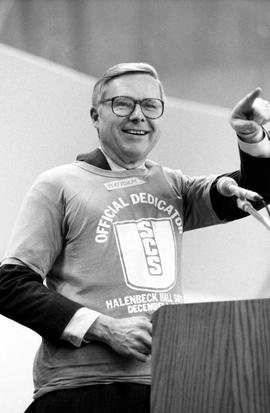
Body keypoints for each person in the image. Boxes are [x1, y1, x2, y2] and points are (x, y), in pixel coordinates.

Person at [0, 62, 270, 413]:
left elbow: (257, 191)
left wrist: (252, 138)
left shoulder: (174, 186)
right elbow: (11, 285)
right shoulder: (58, 184)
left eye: (150, 105)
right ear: (96, 116)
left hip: (173, 387)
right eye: (123, 104)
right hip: (82, 391)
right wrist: (104, 328)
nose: (139, 115)